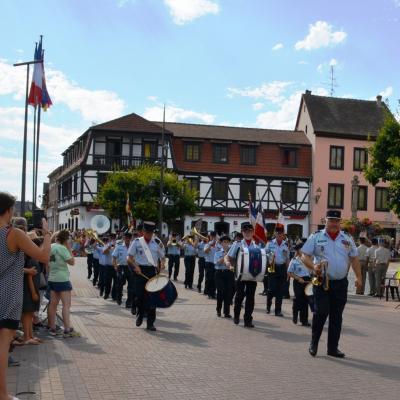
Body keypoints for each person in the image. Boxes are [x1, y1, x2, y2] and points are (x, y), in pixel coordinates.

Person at [0, 192, 51, 400]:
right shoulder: (12, 233)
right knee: (3, 345)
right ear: (10, 210)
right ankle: (3, 394)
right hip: (8, 296)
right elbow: (43, 256)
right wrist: (47, 234)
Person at [301, 209, 361, 358]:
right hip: (321, 281)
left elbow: (354, 258)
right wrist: (313, 266)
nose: (334, 223)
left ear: (340, 222)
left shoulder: (347, 238)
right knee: (321, 312)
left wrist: (359, 278)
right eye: (331, 220)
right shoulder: (316, 237)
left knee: (336, 316)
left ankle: (332, 348)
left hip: (340, 283)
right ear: (325, 221)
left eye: (336, 221)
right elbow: (304, 256)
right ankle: (314, 343)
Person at [127, 221, 165, 331]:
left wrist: (162, 264)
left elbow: (162, 257)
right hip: (140, 271)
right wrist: (136, 267)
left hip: (152, 272)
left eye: (151, 232)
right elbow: (129, 258)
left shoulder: (156, 243)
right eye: (147, 232)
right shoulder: (137, 242)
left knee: (152, 298)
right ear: (143, 231)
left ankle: (150, 323)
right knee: (140, 296)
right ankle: (140, 313)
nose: (149, 234)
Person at [48, 230, 80, 338]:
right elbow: (72, 262)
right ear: (65, 239)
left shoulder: (51, 246)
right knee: (66, 305)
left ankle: (52, 328)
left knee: (52, 304)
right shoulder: (62, 248)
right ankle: (67, 329)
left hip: (52, 278)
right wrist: (69, 248)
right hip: (62, 279)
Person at [226, 222, 258, 328]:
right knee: (239, 296)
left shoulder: (256, 246)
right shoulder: (237, 244)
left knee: (250, 298)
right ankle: (236, 316)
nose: (247, 233)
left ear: (253, 232)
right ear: (242, 232)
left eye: (249, 231)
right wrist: (228, 264)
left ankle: (248, 320)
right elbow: (228, 257)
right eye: (245, 231)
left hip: (252, 275)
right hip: (239, 274)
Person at [266, 224, 290, 317]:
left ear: (283, 235)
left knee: (280, 290)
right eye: (278, 233)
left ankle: (278, 310)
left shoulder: (285, 244)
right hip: (272, 267)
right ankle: (268, 306)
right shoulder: (270, 243)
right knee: (272, 289)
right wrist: (269, 258)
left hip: (282, 268)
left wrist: (288, 271)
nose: (280, 235)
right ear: (275, 234)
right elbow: (265, 254)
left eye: (281, 233)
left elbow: (287, 258)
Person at [287, 243, 311, 326]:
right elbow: (289, 272)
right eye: (302, 249)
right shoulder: (294, 260)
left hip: (307, 281)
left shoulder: (309, 259)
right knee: (298, 300)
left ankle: (304, 320)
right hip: (298, 281)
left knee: (305, 301)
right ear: (298, 250)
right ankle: (295, 314)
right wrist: (298, 278)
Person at [214, 235, 234, 318]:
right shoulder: (217, 252)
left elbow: (234, 263)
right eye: (224, 242)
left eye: (227, 242)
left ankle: (226, 312)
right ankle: (218, 310)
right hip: (220, 273)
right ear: (221, 243)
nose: (226, 244)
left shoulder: (232, 253)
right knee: (220, 292)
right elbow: (217, 262)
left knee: (228, 293)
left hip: (229, 273)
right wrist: (225, 256)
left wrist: (230, 256)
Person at [112, 232, 132, 306]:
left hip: (130, 267)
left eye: (129, 238)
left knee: (131, 285)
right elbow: (114, 257)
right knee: (120, 284)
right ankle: (119, 298)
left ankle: (129, 301)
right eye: (126, 237)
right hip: (121, 267)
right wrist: (114, 265)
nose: (127, 239)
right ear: (124, 238)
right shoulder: (119, 247)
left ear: (131, 238)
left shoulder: (133, 246)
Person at [102, 234, 117, 301]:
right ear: (109, 238)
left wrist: (115, 246)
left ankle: (114, 295)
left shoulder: (118, 245)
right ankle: (106, 294)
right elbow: (104, 252)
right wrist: (109, 246)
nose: (113, 239)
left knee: (116, 282)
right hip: (108, 266)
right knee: (107, 281)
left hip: (116, 266)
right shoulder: (106, 245)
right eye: (111, 238)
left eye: (114, 238)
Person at [204, 232, 218, 299]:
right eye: (212, 237)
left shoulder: (218, 245)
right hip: (209, 263)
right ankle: (209, 293)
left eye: (214, 237)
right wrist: (210, 246)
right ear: (210, 237)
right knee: (209, 279)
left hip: (215, 264)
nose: (213, 238)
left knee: (215, 279)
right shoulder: (207, 244)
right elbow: (205, 251)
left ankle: (213, 292)